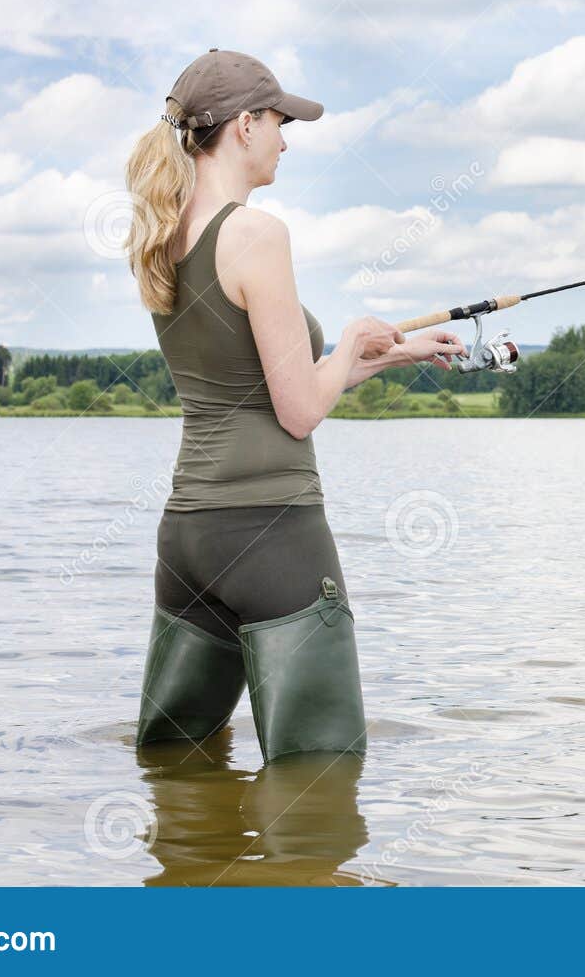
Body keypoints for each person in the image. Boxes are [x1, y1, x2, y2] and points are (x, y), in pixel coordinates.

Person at [122, 48, 462, 762]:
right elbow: (299, 410)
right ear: (244, 126)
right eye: (280, 121)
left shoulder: (164, 235)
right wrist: (341, 344)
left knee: (174, 766)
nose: (287, 137)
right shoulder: (256, 231)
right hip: (272, 534)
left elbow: (262, 385)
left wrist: (395, 351)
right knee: (322, 774)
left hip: (189, 539)